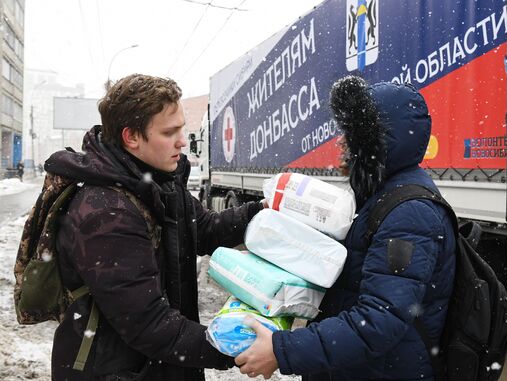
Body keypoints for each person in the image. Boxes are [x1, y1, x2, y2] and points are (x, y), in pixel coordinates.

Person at [45, 74, 264, 381]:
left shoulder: (158, 183)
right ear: (131, 137)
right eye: (169, 132)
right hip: (116, 371)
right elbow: (148, 324)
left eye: (182, 128)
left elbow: (205, 229)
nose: (182, 141)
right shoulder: (105, 211)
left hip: (158, 366)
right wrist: (232, 349)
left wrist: (264, 211)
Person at [235, 77, 457, 380]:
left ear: (375, 141)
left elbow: (379, 320)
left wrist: (283, 350)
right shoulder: (380, 195)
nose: (341, 142)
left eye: (350, 134)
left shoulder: (410, 213)